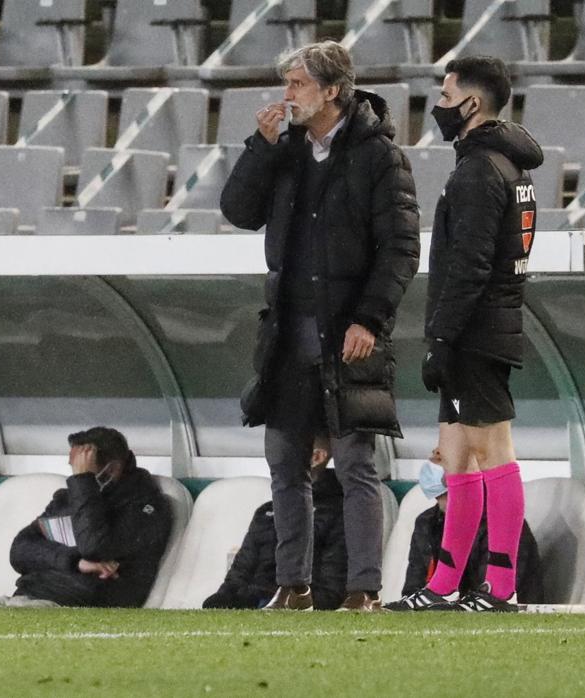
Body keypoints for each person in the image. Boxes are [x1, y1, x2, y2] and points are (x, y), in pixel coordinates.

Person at [221, 39, 420, 611]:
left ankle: (364, 589)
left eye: (297, 84)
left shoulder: (379, 155)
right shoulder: (281, 149)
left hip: (349, 333)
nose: (287, 96)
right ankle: (293, 584)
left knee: (356, 464)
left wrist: (371, 319)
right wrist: (258, 149)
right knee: (285, 462)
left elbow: (401, 248)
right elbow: (238, 212)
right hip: (287, 332)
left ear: (332, 90)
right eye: (287, 84)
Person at [389, 56, 543, 613]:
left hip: (477, 332)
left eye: (448, 94)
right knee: (456, 457)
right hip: (480, 327)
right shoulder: (506, 166)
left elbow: (472, 266)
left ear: (472, 103)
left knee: (491, 451)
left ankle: (501, 587)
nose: (441, 105)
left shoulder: (480, 171)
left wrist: (444, 338)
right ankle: (442, 584)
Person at [0, 427, 173, 608]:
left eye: (82, 470)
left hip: (77, 603)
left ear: (112, 468)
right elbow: (20, 550)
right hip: (26, 595)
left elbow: (94, 547)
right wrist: (75, 562)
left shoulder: (145, 508)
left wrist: (83, 483)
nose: (75, 476)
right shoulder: (68, 499)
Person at [203, 434, 347, 610]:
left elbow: (331, 589)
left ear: (317, 457)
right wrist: (228, 599)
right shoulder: (266, 512)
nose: (278, 458)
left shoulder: (337, 511)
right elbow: (238, 573)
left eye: (287, 451)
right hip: (252, 602)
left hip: (292, 607)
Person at [394, 451, 544, 604]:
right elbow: (412, 587)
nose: (434, 453)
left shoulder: (499, 524)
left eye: (441, 456)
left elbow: (491, 594)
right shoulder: (427, 522)